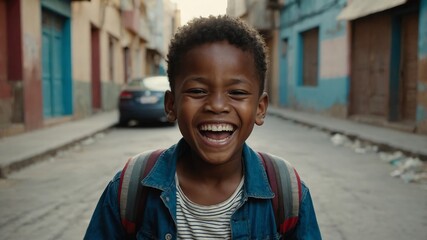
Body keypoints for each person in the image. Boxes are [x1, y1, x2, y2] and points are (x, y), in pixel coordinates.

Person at [84, 15, 321, 239]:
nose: (217, 106)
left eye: (237, 92)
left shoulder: (286, 192)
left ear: (260, 108)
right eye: (197, 91)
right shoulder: (131, 187)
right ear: (171, 105)